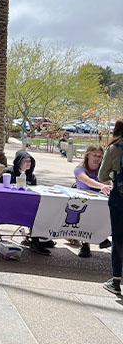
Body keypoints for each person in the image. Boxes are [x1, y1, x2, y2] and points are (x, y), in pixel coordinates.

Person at [0, 150, 54, 254]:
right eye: (26, 161)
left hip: (26, 206)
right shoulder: (8, 173)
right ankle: (36, 241)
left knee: (42, 211)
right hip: (9, 206)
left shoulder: (31, 177)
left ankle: (38, 240)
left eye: (30, 161)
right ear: (19, 161)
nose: (29, 163)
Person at [74, 144, 112, 257]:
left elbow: (107, 184)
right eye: (94, 155)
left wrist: (104, 186)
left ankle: (102, 236)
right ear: (88, 156)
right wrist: (101, 186)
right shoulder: (79, 170)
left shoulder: (104, 170)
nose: (97, 159)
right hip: (84, 201)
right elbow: (87, 180)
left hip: (100, 201)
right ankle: (85, 244)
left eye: (100, 156)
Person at [99, 120, 123, 295]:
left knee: (118, 237)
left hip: (119, 197)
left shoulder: (115, 149)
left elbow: (102, 175)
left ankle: (116, 280)